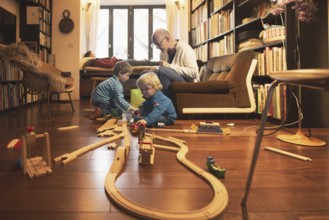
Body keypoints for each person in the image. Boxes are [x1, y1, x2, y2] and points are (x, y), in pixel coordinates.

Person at [151, 28, 199, 95]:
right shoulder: (163, 52)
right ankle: (150, 102)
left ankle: (165, 103)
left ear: (167, 39)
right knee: (148, 73)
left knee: (162, 71)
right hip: (175, 79)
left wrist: (170, 66)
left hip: (189, 82)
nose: (157, 47)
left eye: (158, 44)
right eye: (155, 45)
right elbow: (166, 71)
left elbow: (194, 73)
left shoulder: (185, 49)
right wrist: (157, 69)